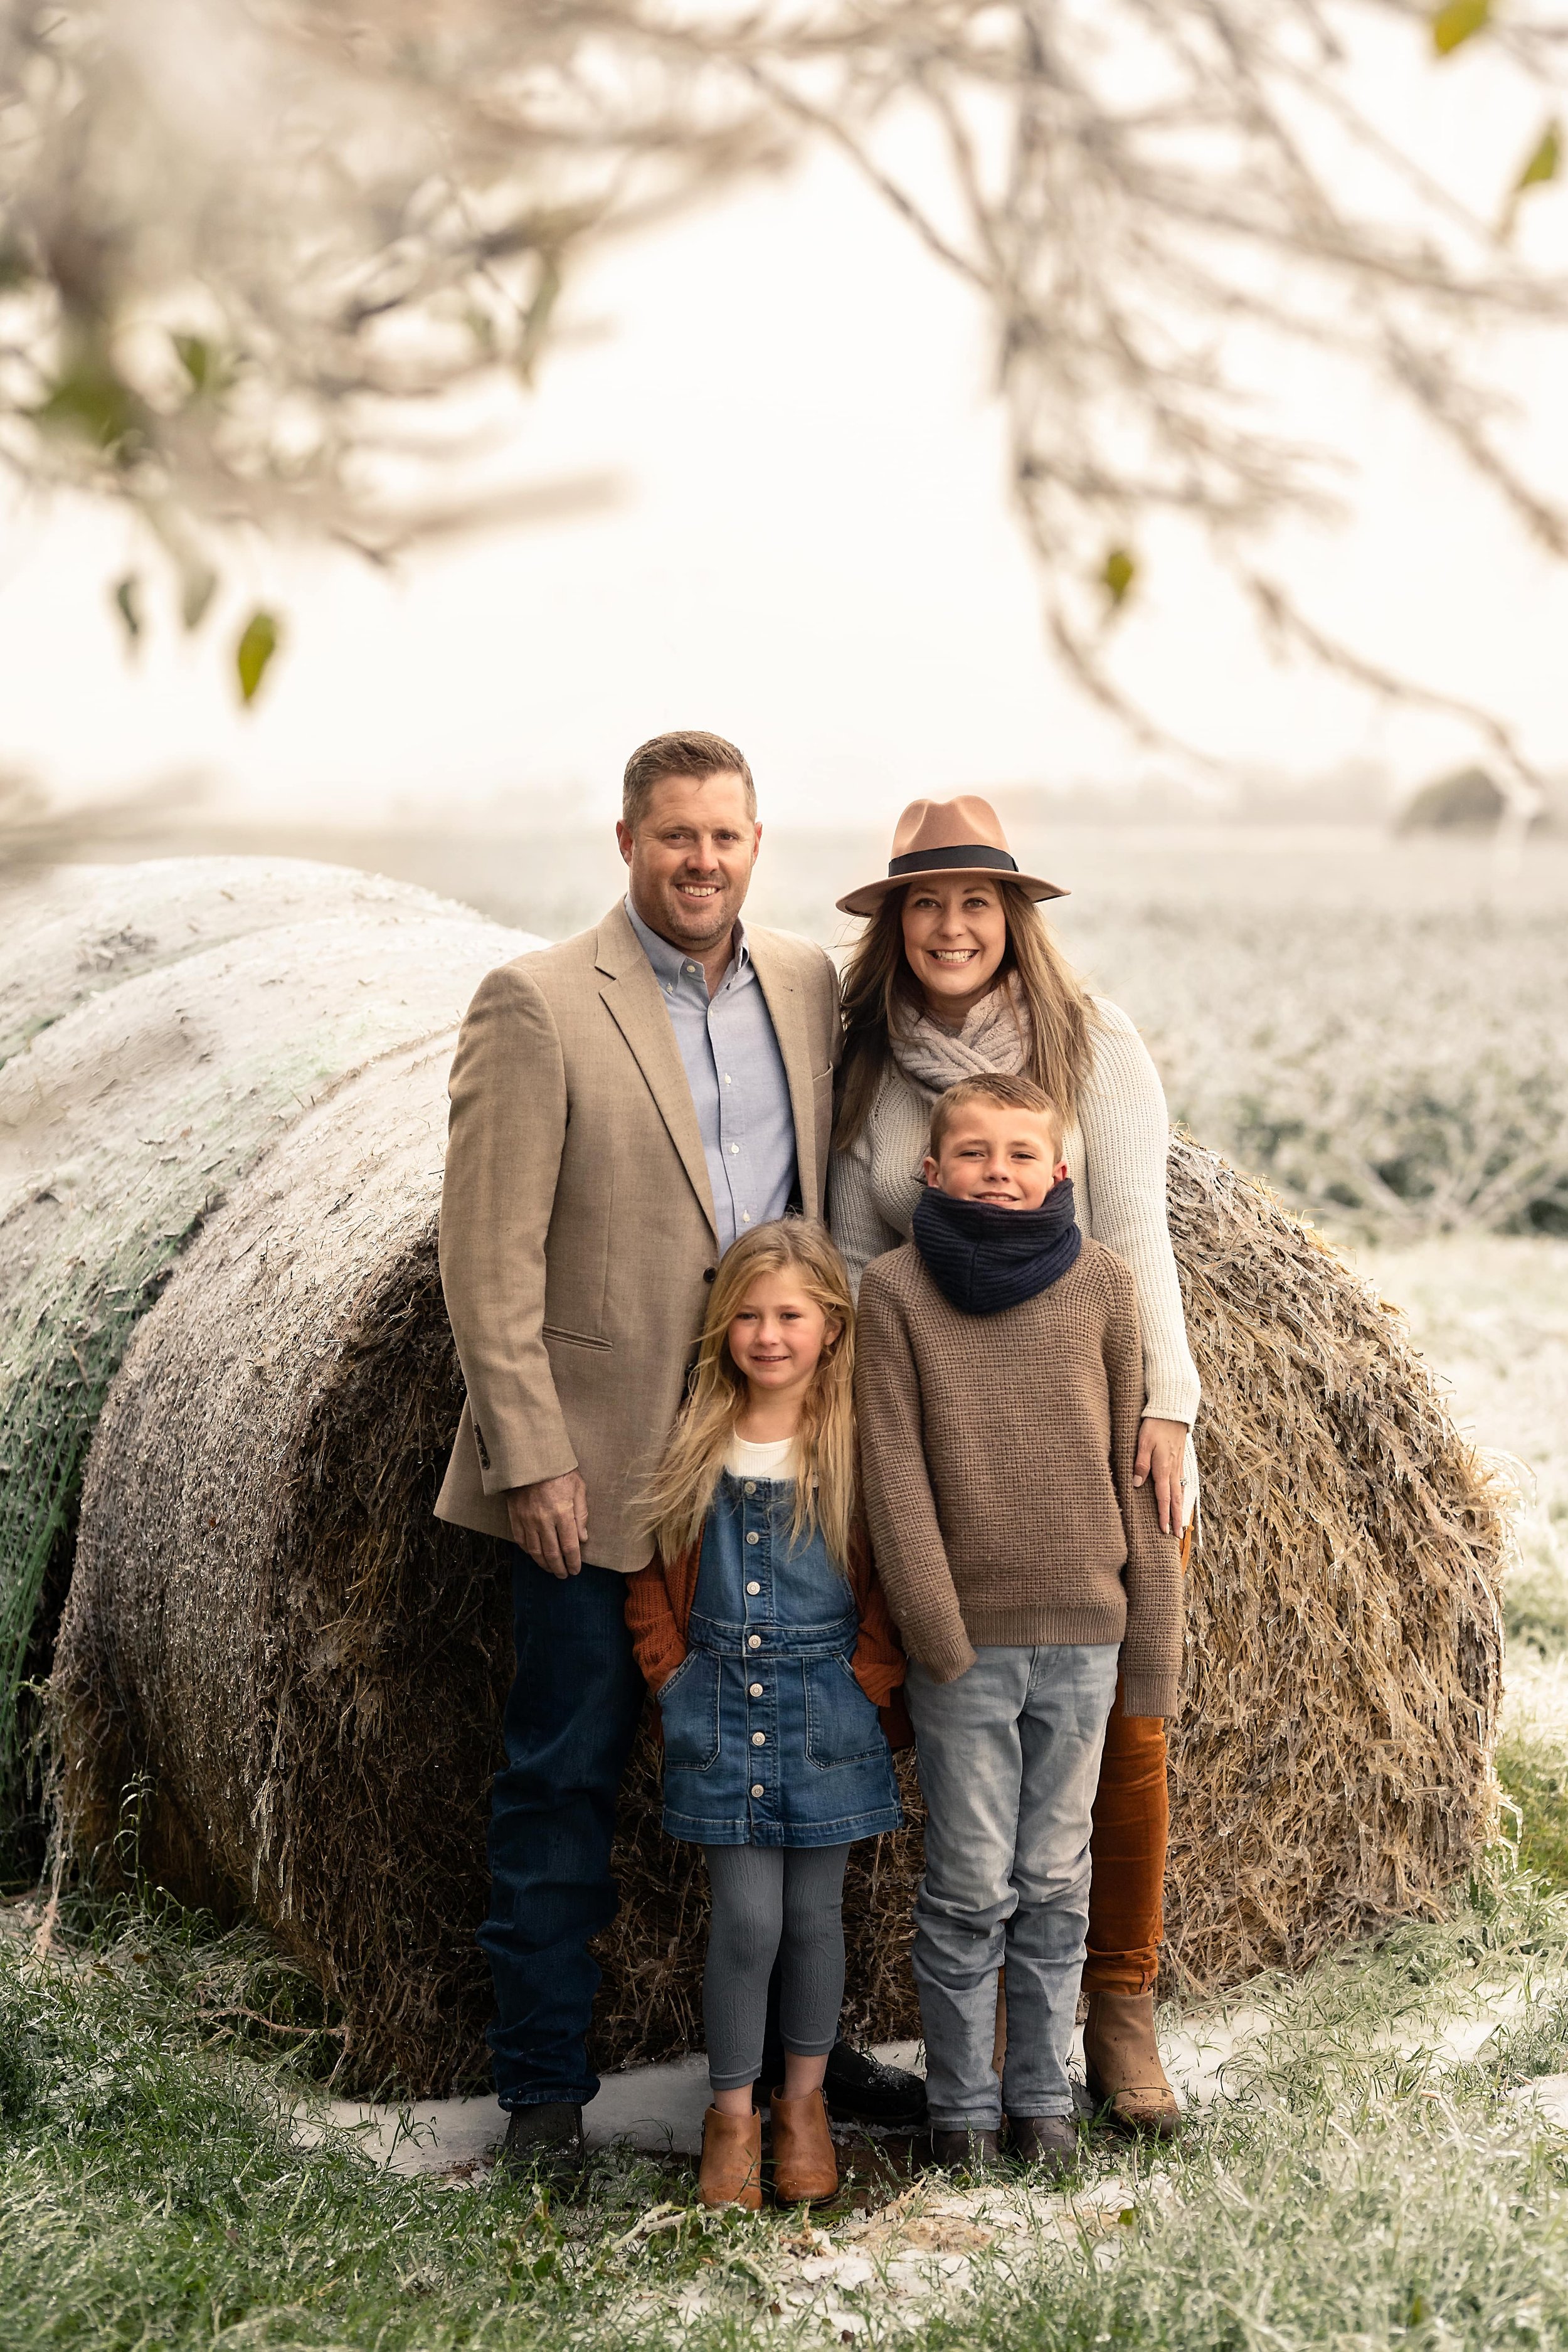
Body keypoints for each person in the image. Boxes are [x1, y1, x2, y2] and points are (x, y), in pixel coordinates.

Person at [436, 729, 919, 2181]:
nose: (700, 861)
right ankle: (540, 2102)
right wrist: (530, 1457)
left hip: (768, 1464)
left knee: (814, 1772)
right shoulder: (533, 1004)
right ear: (627, 842)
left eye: (725, 836)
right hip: (592, 1461)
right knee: (565, 1773)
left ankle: (794, 2084)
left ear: (755, 844)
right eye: (674, 837)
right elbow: (486, 1260)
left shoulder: (805, 981)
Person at [829, 795, 1198, 2136]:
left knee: (1125, 1734)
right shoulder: (861, 1060)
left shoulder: (1088, 1047)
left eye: (974, 901)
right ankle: (971, 2055)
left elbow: (1131, 1237)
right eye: (924, 903)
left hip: (1077, 1421)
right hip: (924, 1421)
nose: (949, 926)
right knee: (940, 1733)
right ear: (893, 923)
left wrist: (1167, 1406)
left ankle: (1116, 2007)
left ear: (1011, 917)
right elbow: (833, 1236)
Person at [854, 1071, 1184, 2171]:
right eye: (976, 1152)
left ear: (1061, 1170)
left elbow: (1129, 1469)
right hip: (968, 1645)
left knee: (1054, 1879)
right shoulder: (896, 1293)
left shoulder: (1102, 1284)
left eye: (1020, 1153)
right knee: (967, 1883)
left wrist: (1150, 1634)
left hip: (1086, 1635)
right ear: (930, 1170)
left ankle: (1042, 2103)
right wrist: (937, 1636)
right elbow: (892, 1474)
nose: (999, 1172)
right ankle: (962, 2110)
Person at [626, 1221, 904, 2209]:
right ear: (721, 1324)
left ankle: (804, 2108)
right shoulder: (698, 1429)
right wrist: (667, 1672)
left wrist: (868, 1681)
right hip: (715, 1705)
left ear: (831, 1325)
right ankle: (732, 2118)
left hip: (826, 1709)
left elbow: (893, 1573)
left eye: (790, 1314)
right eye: (747, 1313)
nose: (767, 1333)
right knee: (745, 1921)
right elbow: (649, 1569)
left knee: (814, 1921)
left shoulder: (855, 1441)